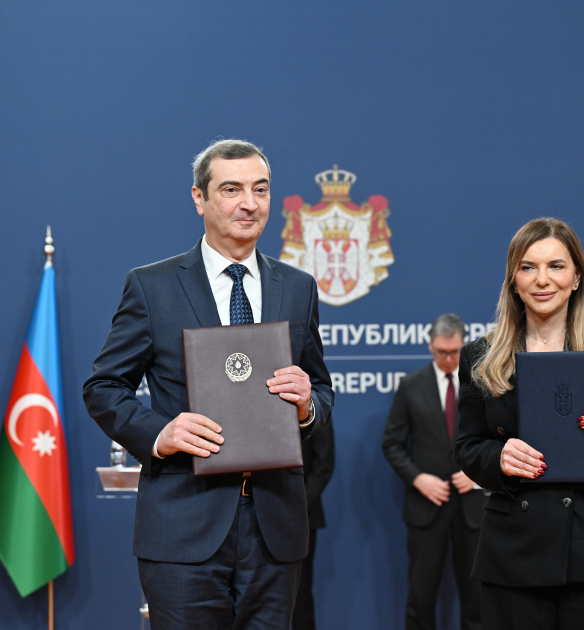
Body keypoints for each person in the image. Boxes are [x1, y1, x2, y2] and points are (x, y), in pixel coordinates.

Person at [83, 139, 334, 630]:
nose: (249, 203)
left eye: (260, 189)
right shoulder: (152, 286)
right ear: (199, 199)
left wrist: (308, 406)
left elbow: (321, 390)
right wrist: (160, 433)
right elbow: (104, 387)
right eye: (232, 189)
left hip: (275, 528)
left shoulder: (297, 287)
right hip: (183, 526)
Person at [454, 218, 584, 630]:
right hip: (514, 550)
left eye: (556, 266)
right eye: (528, 267)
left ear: (577, 277)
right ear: (513, 280)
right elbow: (467, 446)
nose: (542, 280)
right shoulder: (480, 355)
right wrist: (499, 457)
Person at [382, 313, 482, 630]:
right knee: (421, 599)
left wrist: (479, 475)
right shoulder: (411, 385)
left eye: (454, 352)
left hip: (473, 509)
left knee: (478, 602)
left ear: (464, 346)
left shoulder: (481, 384)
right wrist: (418, 478)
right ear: (430, 347)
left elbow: (498, 440)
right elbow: (392, 444)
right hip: (427, 507)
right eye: (441, 352)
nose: (449, 359)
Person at [291, 421, 334, 630]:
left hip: (302, 517)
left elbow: (324, 463)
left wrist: (298, 506)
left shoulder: (313, 407)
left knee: (299, 595)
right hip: (255, 514)